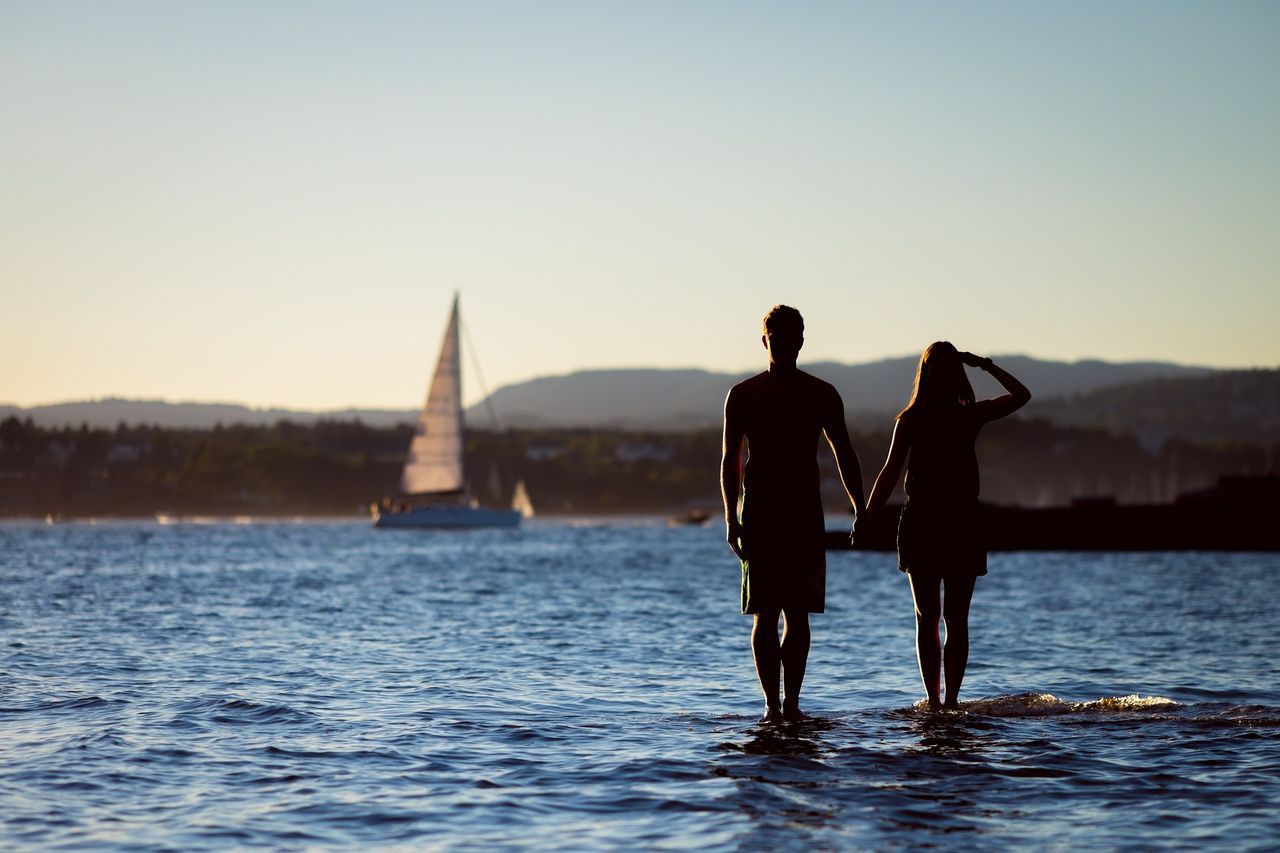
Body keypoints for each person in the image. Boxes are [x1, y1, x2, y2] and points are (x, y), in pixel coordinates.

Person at [721, 305, 866, 724]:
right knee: (767, 613)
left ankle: (790, 705)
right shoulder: (744, 394)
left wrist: (861, 507)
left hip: (802, 511)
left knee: (795, 613)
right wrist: (731, 517)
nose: (782, 345)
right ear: (765, 340)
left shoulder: (821, 393)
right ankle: (773, 705)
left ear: (800, 341)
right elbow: (730, 459)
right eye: (776, 338)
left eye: (789, 338)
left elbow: (845, 453)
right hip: (762, 511)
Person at [865, 343, 1030, 709]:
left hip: (946, 520)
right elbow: (890, 472)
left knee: (937, 618)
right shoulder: (932, 418)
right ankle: (944, 702)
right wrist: (984, 366)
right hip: (941, 520)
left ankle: (942, 702)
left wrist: (867, 515)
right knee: (949, 618)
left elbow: (890, 471)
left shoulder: (952, 416)